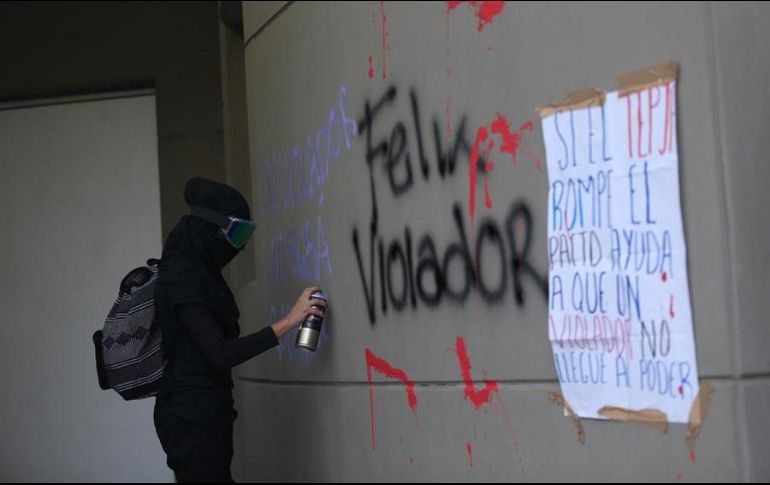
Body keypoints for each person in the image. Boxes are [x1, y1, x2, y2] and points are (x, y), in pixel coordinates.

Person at [153, 177, 325, 483]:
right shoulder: (181, 276)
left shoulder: (201, 271)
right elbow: (220, 353)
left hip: (208, 412)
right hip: (191, 419)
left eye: (245, 235)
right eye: (236, 233)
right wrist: (289, 321)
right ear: (210, 228)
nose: (240, 246)